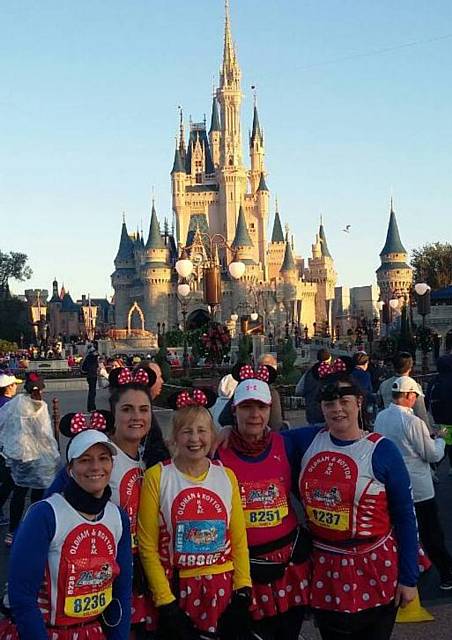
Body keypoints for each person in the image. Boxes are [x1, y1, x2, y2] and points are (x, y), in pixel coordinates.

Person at [283, 370, 420, 640]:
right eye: (329, 404)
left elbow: (406, 516)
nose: (337, 410)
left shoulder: (383, 450)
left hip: (375, 567)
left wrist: (409, 578)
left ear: (359, 402)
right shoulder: (307, 440)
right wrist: (226, 428)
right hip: (325, 568)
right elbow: (260, 440)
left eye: (344, 402)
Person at [46, 365, 168, 639]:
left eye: (143, 409)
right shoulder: (96, 461)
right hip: (102, 577)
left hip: (144, 574)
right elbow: (47, 508)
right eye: (127, 410)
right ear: (113, 414)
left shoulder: (151, 458)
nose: (136, 417)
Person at [138, 388, 252, 640]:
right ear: (174, 437)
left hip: (223, 586)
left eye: (201, 431)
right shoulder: (158, 477)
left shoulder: (226, 475)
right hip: (178, 587)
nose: (194, 439)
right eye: (186, 431)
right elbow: (148, 546)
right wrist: (165, 601)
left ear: (212, 435)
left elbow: (239, 539)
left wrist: (243, 589)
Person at [0, 424, 132, 640]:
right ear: (70, 469)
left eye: (103, 458)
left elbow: (122, 591)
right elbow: (22, 596)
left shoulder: (118, 518)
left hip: (94, 631)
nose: (96, 467)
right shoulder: (45, 515)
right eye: (85, 459)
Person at [217, 364, 310, 640]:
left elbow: (336, 429)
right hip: (246, 569)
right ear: (234, 411)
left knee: (288, 632)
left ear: (270, 410)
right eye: (246, 407)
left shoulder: (287, 443)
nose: (254, 415)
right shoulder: (217, 452)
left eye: (261, 407)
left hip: (287, 564)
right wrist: (219, 431)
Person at [375, 376, 452, 590]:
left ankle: (405, 572)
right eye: (416, 396)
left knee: (401, 531)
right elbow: (432, 454)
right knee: (431, 532)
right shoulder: (412, 421)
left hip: (391, 484)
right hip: (419, 486)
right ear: (409, 395)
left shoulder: (381, 417)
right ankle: (447, 574)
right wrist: (439, 440)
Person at [0, 373, 60, 546]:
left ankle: (11, 532)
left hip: (19, 455)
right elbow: (45, 434)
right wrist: (53, 454)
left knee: (18, 494)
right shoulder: (41, 406)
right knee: (37, 495)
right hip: (38, 457)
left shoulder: (16, 403)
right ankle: (34, 528)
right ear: (42, 388)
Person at [377, 352, 431, 426]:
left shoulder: (384, 385)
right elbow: (420, 412)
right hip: (408, 425)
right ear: (410, 367)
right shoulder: (414, 386)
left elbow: (379, 405)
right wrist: (428, 431)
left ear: (394, 366)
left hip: (387, 423)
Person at [426, 353, 452, 474]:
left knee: (446, 441)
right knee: (446, 443)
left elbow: (427, 399)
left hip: (437, 417)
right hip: (449, 418)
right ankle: (433, 467)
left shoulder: (434, 381)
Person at [295, 348, 331, 424]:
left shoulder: (309, 372)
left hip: (312, 411)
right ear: (329, 359)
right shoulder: (333, 372)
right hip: (329, 412)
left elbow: (299, 390)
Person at [81, 345, 99, 411]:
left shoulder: (88, 358)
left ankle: (90, 407)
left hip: (89, 376)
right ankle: (92, 407)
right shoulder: (93, 358)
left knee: (91, 392)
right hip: (93, 376)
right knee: (93, 392)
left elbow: (84, 368)